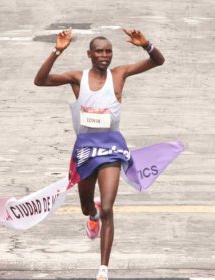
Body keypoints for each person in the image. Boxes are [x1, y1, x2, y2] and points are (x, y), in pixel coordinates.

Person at [34, 28, 165, 280]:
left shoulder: (119, 74)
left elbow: (158, 61)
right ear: (90, 55)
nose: (105, 56)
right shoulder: (77, 78)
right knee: (87, 207)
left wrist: (146, 44)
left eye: (108, 51)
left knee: (108, 207)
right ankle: (91, 215)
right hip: (85, 148)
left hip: (112, 147)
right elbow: (40, 80)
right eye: (99, 51)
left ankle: (103, 269)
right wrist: (57, 51)